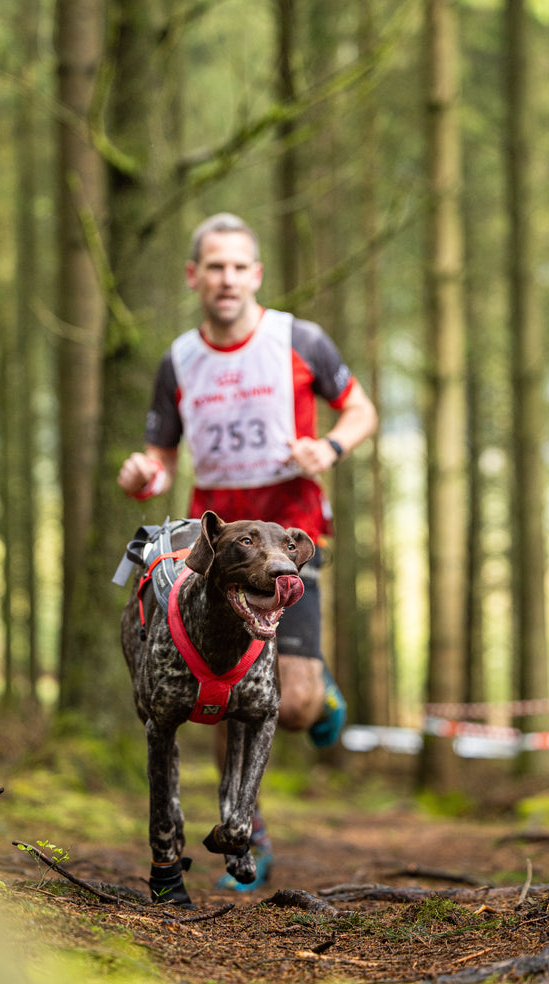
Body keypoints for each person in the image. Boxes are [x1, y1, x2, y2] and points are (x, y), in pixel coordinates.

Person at [117, 212, 378, 889]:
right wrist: (146, 474)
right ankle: (247, 830)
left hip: (291, 542)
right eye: (214, 267)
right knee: (213, 690)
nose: (226, 278)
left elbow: (360, 409)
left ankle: (320, 696)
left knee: (288, 708)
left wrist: (328, 447)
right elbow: (161, 454)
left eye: (238, 266)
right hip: (222, 552)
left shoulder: (300, 340)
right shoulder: (179, 358)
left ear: (255, 274)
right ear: (193, 277)